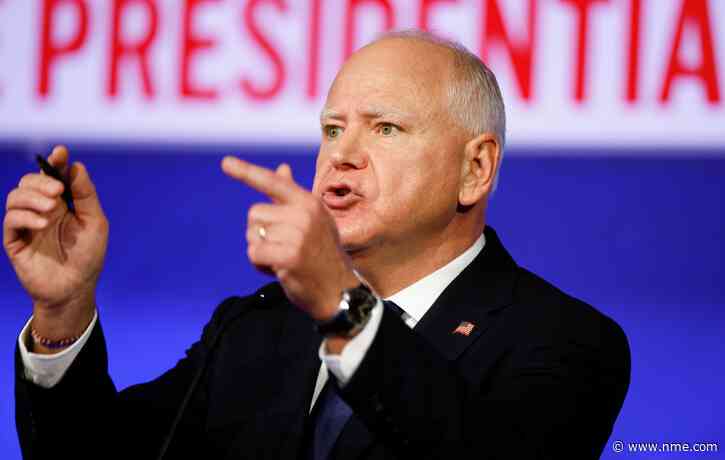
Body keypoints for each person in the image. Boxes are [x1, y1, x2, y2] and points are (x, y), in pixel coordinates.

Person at [5, 31, 630, 460]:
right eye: (332, 129)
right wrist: (64, 312)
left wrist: (340, 302)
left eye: (385, 128)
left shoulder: (566, 342)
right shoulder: (256, 328)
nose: (342, 154)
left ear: (476, 169)